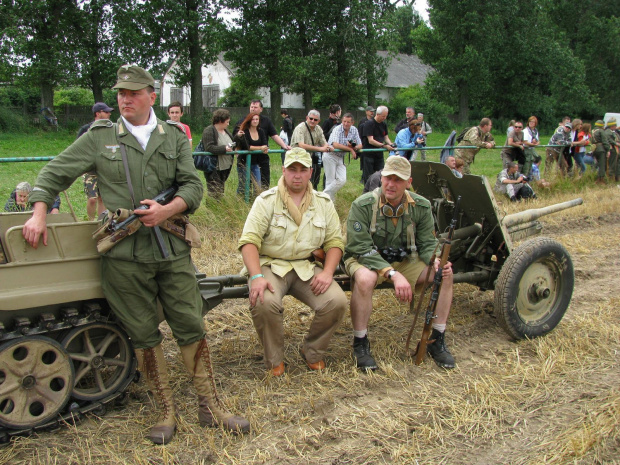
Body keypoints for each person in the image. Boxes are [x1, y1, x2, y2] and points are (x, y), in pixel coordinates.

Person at [21, 65, 249, 444]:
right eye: (121, 94)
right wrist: (39, 210)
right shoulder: (100, 137)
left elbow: (194, 185)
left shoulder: (173, 136)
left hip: (171, 249)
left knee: (191, 325)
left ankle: (211, 407)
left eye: (133, 93)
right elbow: (55, 173)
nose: (125, 99)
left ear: (151, 96)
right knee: (144, 334)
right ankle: (165, 412)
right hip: (123, 256)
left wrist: (168, 209)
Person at [238, 147, 347, 376]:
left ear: (311, 172)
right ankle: (274, 359)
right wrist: (256, 276)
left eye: (303, 170)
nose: (297, 175)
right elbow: (249, 241)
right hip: (271, 265)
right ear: (283, 170)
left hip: (307, 267)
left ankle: (313, 351)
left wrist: (328, 273)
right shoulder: (266, 201)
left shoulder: (323, 203)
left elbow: (335, 242)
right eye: (292, 169)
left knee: (336, 301)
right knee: (264, 301)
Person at [344, 156, 456, 370]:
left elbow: (427, 242)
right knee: (366, 279)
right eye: (387, 178)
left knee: (445, 274)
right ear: (381, 177)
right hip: (367, 259)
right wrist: (392, 274)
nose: (391, 184)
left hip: (404, 259)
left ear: (409, 182)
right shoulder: (363, 205)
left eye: (398, 180)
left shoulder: (420, 206)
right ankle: (360, 342)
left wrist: (436, 260)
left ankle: (437, 338)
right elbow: (359, 247)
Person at [233, 99, 291, 190]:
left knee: (263, 183)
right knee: (244, 186)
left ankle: (262, 202)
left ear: (261, 109)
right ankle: (244, 203)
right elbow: (236, 140)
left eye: (255, 107)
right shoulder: (242, 122)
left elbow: (274, 135)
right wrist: (237, 152)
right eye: (251, 107)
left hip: (262, 158)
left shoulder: (265, 122)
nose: (253, 109)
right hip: (246, 159)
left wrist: (285, 146)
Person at [77, 102, 113, 220]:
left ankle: (101, 222)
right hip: (90, 169)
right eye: (106, 112)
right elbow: (78, 148)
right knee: (92, 199)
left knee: (102, 198)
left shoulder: (111, 129)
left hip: (104, 168)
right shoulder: (85, 129)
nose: (109, 114)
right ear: (98, 113)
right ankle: (90, 222)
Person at [290, 109, 333, 190]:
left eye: (315, 119)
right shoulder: (300, 128)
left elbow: (324, 143)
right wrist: (320, 149)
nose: (313, 121)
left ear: (319, 121)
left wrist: (328, 147)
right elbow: (301, 145)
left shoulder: (319, 129)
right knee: (298, 182)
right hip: (296, 159)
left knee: (312, 181)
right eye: (311, 118)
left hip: (309, 159)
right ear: (307, 118)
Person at [324, 113, 362, 202]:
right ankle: (329, 204)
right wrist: (350, 150)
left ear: (352, 122)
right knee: (330, 181)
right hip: (330, 156)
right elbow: (335, 144)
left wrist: (354, 147)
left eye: (348, 122)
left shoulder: (354, 130)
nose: (345, 124)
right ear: (342, 121)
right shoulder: (337, 129)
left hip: (340, 157)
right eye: (344, 121)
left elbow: (360, 144)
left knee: (342, 180)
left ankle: (323, 195)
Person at [201, 109, 235, 199]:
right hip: (214, 167)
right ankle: (211, 211)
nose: (228, 124)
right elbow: (209, 147)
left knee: (220, 191)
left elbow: (232, 143)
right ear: (220, 121)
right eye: (227, 122)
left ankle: (218, 210)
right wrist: (224, 148)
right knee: (214, 192)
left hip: (225, 166)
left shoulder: (226, 131)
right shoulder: (209, 131)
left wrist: (238, 137)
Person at [234, 113, 267, 196]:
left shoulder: (261, 131)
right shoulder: (245, 132)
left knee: (257, 186)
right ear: (249, 120)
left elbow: (265, 144)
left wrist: (264, 148)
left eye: (257, 119)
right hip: (243, 163)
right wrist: (260, 148)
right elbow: (247, 147)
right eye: (253, 119)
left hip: (255, 163)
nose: (255, 121)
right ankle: (240, 201)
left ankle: (255, 203)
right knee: (244, 185)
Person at [361, 105, 394, 184]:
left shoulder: (384, 124)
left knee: (380, 175)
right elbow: (371, 140)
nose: (384, 118)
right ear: (378, 114)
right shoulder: (369, 124)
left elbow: (386, 137)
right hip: (369, 154)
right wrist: (384, 146)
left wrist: (391, 144)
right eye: (383, 116)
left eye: (386, 116)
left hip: (379, 155)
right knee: (369, 177)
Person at [591, 120, 611, 184]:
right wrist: (608, 149)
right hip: (601, 149)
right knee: (602, 165)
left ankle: (598, 178)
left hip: (594, 149)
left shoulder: (592, 131)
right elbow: (605, 141)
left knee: (598, 164)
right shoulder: (601, 131)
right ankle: (601, 180)